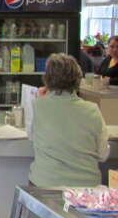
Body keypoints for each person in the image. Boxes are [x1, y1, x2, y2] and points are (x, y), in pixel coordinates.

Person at [29, 53, 109, 187]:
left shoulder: (37, 105)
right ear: (78, 78)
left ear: (47, 78)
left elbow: (32, 137)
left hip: (45, 185)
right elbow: (103, 154)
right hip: (86, 190)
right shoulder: (92, 110)